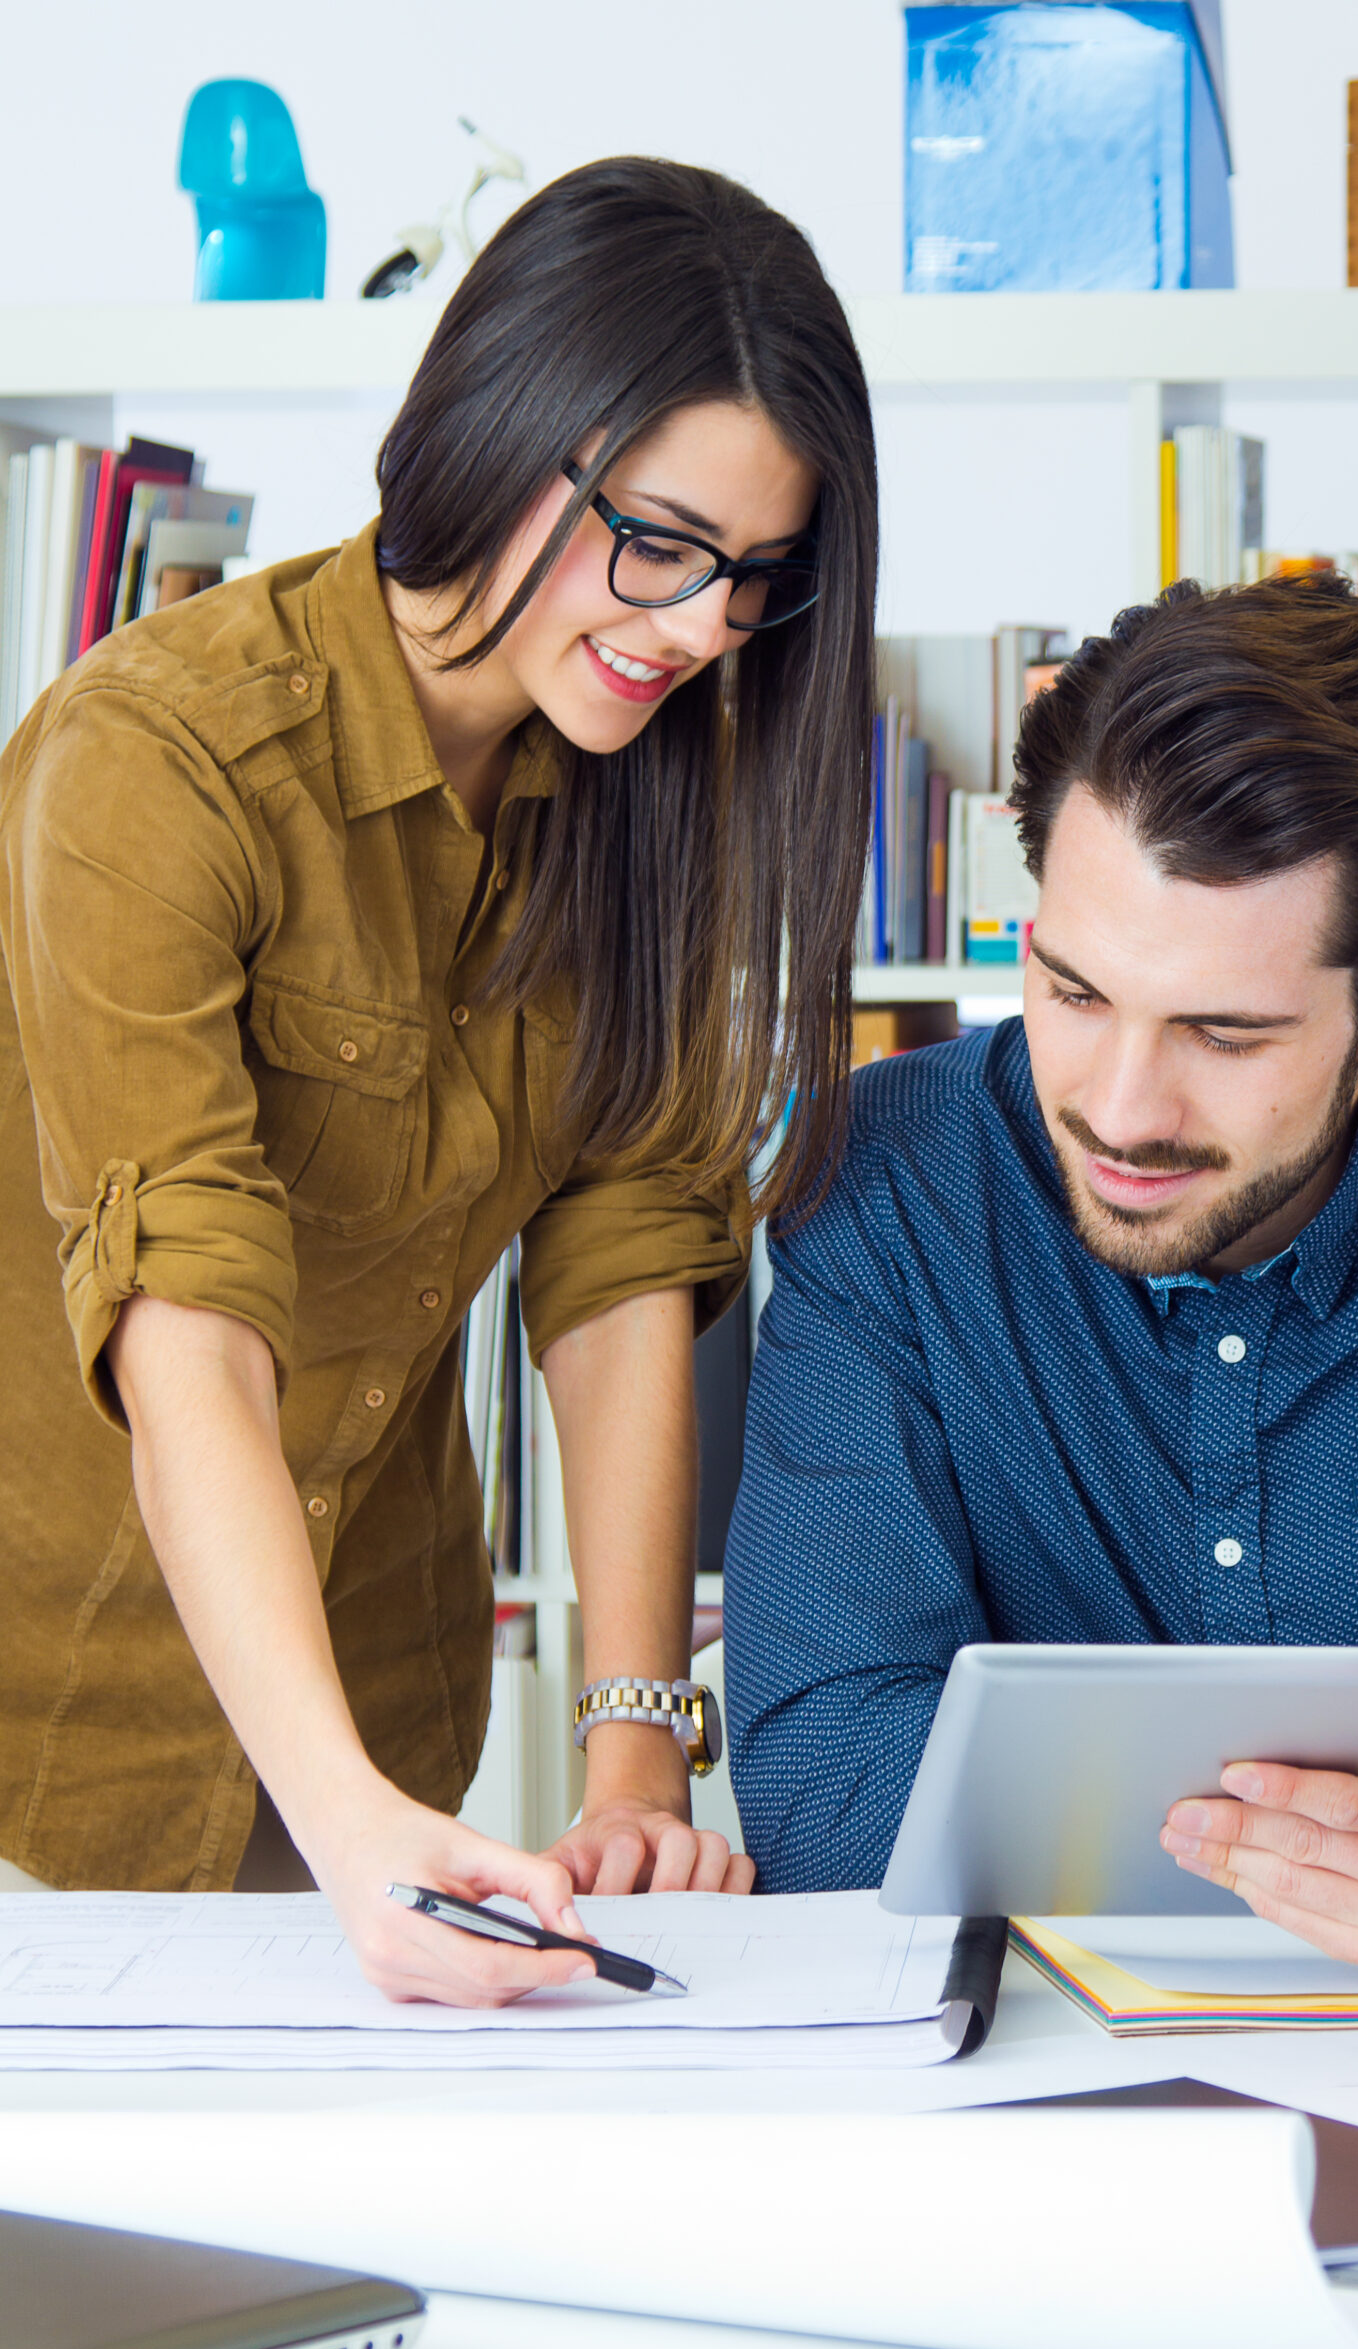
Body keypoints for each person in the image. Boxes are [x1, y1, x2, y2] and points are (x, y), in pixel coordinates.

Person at [0, 157, 877, 2002]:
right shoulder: (155, 759)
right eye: (662, 543)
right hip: (50, 1723)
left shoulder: (660, 787)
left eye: (755, 579)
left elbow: (623, 1263)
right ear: (503, 425)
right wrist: (346, 1821)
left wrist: (635, 1752)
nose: (699, 628)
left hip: (379, 1717)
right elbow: (186, 1322)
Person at [725, 572, 1358, 1959]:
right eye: (1074, 992)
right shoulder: (890, 1186)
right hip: (1039, 2064)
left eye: (1224, 1033)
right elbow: (821, 1783)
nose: (1121, 1111)